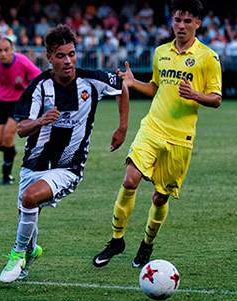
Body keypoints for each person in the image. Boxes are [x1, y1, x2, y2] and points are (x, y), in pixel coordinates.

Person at [93, 0, 222, 269]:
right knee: (130, 179)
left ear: (197, 23)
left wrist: (195, 95)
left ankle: (146, 245)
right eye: (177, 20)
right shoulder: (161, 51)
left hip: (180, 139)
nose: (181, 26)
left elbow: (216, 98)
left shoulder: (208, 57)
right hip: (152, 127)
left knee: (159, 198)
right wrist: (131, 82)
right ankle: (117, 240)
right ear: (171, 21)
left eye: (187, 21)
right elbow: (155, 88)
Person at [0, 24, 129, 283]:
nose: (68, 61)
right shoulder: (39, 87)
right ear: (49, 57)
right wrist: (41, 121)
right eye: (61, 55)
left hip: (69, 167)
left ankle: (16, 255)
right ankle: (30, 252)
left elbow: (122, 86)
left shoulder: (92, 80)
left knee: (29, 198)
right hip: (33, 164)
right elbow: (22, 129)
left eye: (72, 54)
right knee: (29, 210)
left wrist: (122, 126)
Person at [0, 38, 41, 184]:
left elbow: (39, 79)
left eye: (6, 50)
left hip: (18, 102)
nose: (3, 54)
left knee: (8, 136)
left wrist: (33, 100)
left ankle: (6, 176)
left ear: (12, 49)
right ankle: (10, 153)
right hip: (1, 103)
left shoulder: (22, 62)